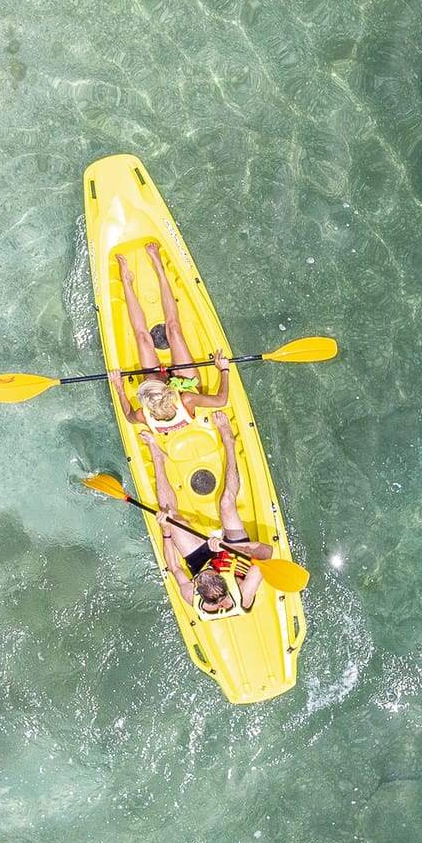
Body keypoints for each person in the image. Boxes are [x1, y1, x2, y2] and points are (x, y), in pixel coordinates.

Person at [141, 408, 272, 618]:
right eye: (207, 574)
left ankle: (158, 457)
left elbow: (174, 567)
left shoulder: (191, 595)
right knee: (227, 502)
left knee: (169, 517)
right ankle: (229, 441)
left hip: (203, 558)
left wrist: (166, 530)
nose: (200, 576)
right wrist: (227, 546)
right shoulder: (244, 593)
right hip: (235, 552)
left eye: (200, 577)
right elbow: (267, 554)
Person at [107, 242, 228, 431]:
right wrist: (223, 370)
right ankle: (159, 268)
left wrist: (119, 387)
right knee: (173, 329)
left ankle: (126, 282)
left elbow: (130, 417)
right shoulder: (188, 399)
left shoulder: (143, 415)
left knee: (142, 338)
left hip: (167, 393)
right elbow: (221, 401)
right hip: (186, 385)